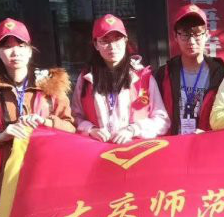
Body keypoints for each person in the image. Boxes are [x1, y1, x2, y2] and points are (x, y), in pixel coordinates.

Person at [0, 18, 75, 198]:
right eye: (7, 47)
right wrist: (0, 136)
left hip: (47, 173)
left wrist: (45, 122)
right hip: (9, 176)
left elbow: (71, 128)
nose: (15, 52)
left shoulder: (51, 86)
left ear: (30, 50)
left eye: (21, 46)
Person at [72, 14, 169, 143]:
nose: (112, 47)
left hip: (135, 151)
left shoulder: (143, 77)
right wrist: (90, 129)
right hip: (99, 150)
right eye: (105, 41)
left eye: (117, 39)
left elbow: (162, 120)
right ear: (96, 45)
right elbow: (75, 117)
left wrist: (134, 129)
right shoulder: (86, 79)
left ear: (125, 40)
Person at [154, 4, 224, 135]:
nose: (191, 41)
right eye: (185, 34)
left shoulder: (220, 74)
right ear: (175, 36)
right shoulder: (164, 74)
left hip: (207, 141)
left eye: (197, 34)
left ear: (207, 35)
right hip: (174, 143)